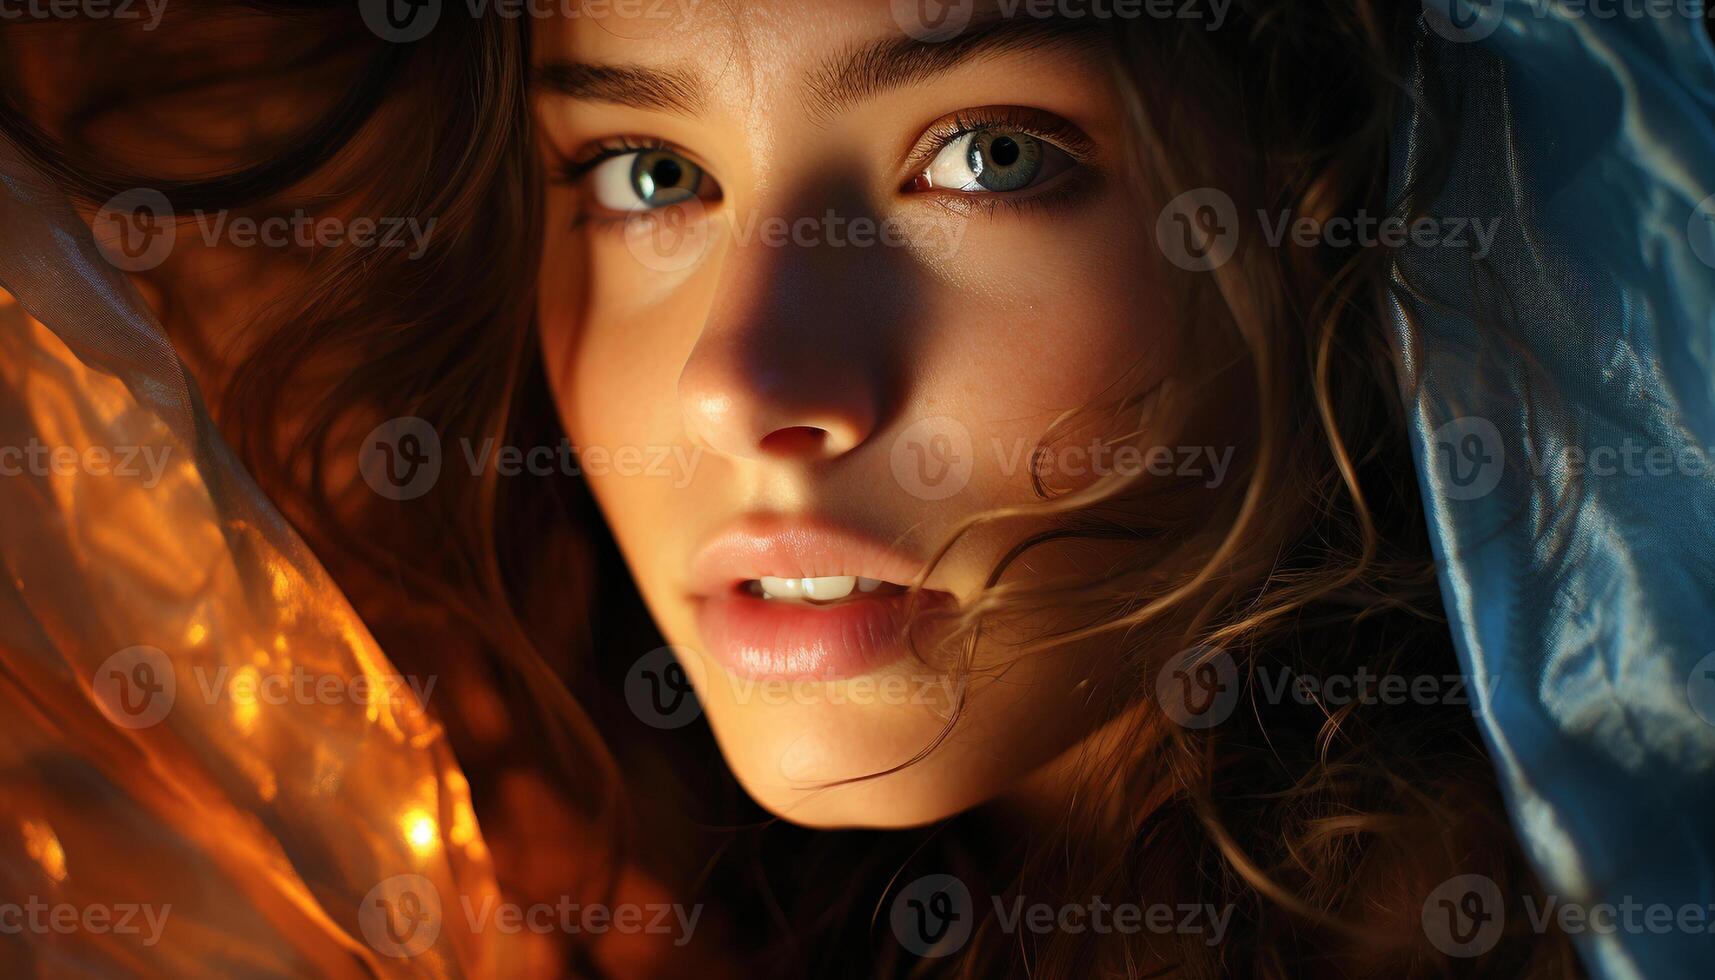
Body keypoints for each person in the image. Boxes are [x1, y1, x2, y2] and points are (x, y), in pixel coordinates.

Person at [0, 2, 1585, 976]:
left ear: (1337, 206)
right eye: (649, 175)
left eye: (989, 157)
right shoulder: (469, 858)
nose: (742, 379)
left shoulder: (1621, 898)